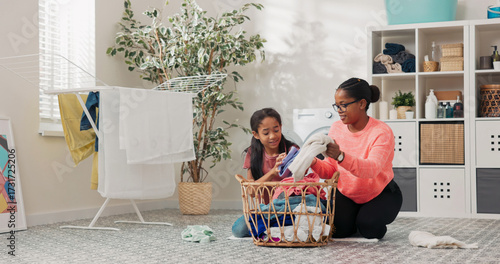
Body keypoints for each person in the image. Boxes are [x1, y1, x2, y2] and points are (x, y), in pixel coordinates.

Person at [311, 77, 402, 239]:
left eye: (344, 105)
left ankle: (365, 219)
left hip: (380, 192)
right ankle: (355, 218)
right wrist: (312, 162)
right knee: (338, 232)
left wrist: (340, 156)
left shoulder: (381, 132)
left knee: (370, 229)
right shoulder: (336, 128)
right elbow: (331, 170)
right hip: (348, 193)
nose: (339, 110)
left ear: (361, 104)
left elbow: (372, 169)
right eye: (337, 106)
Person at [231, 107, 297, 237]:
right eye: (266, 133)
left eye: (276, 130)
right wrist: (273, 172)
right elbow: (251, 191)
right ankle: (274, 227)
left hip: (289, 208)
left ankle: (273, 228)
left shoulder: (291, 150)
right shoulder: (253, 154)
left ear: (281, 127)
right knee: (238, 230)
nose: (273, 136)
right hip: (265, 209)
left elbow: (303, 181)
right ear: (256, 134)